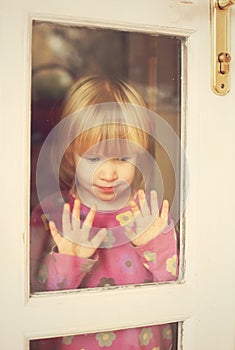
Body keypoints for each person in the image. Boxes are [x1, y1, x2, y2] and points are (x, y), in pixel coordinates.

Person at [30, 76, 178, 350]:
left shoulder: (148, 214)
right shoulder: (52, 215)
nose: (108, 174)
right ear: (70, 153)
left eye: (123, 158)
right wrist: (69, 259)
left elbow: (176, 291)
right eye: (94, 158)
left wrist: (152, 243)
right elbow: (30, 304)